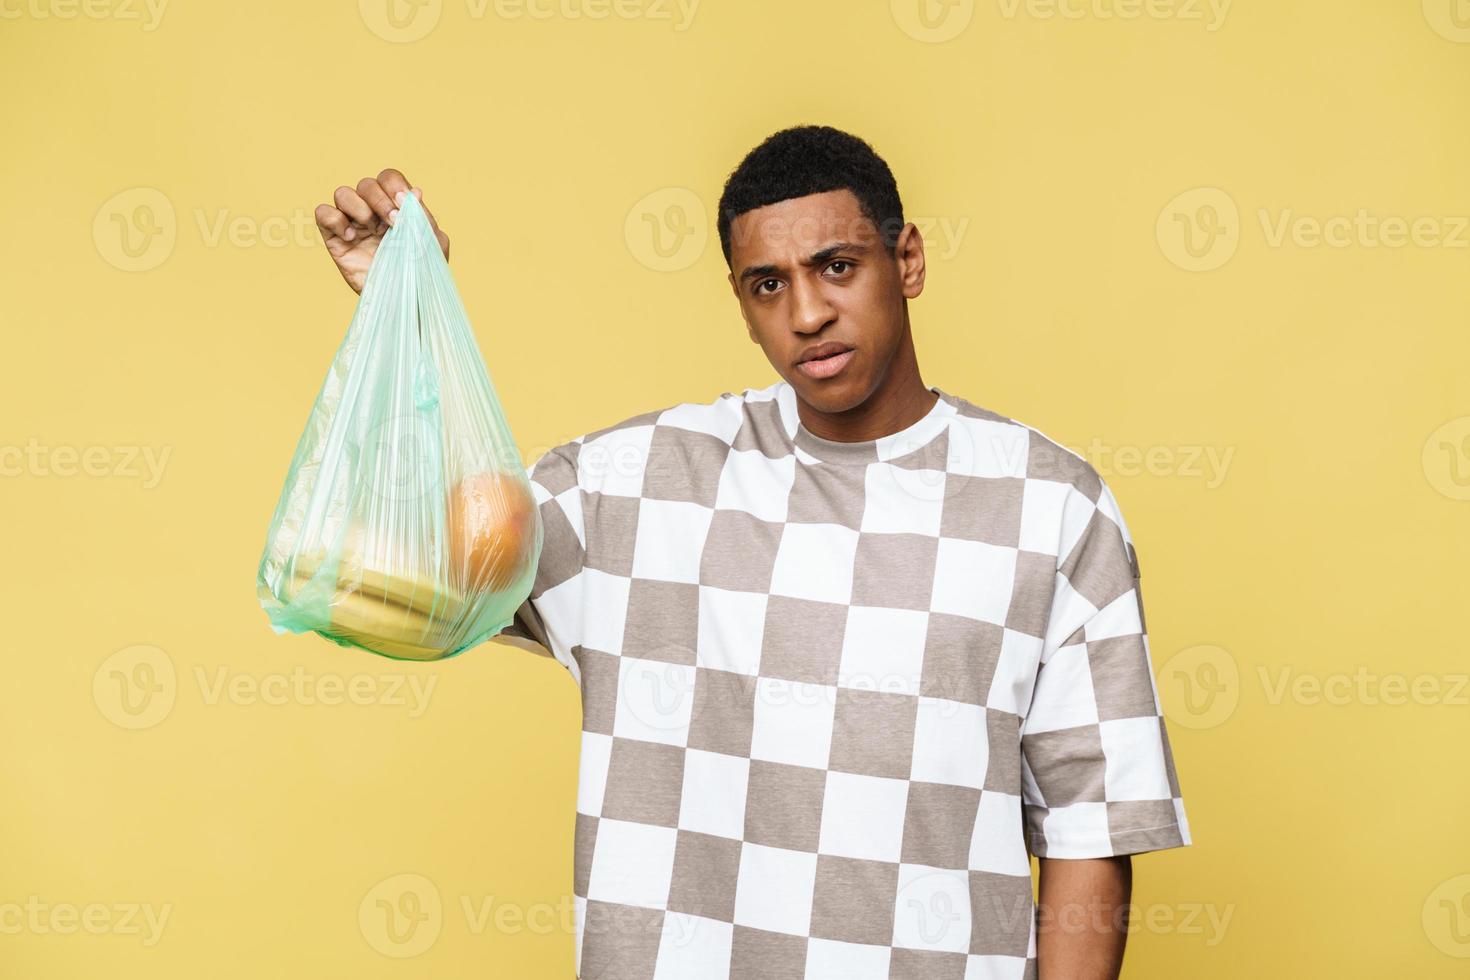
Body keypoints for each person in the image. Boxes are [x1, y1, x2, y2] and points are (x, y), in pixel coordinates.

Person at [314, 125, 1192, 980]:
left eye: (837, 267)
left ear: (909, 262)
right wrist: (409, 316)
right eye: (767, 285)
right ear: (740, 304)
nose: (807, 313)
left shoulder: (1051, 506)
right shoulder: (636, 486)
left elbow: (1092, 828)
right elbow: (430, 577)